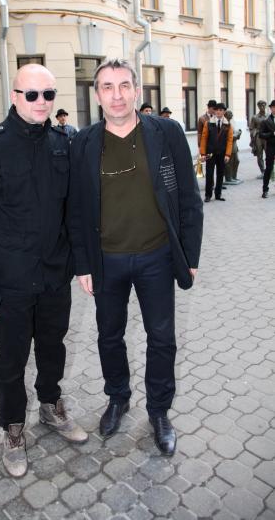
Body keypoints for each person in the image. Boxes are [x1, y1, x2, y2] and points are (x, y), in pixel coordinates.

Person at [68, 58, 203, 456]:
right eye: (107, 87)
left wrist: (189, 254)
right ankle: (118, 397)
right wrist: (82, 264)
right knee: (109, 335)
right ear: (97, 95)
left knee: (162, 338)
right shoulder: (84, 143)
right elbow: (75, 209)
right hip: (106, 259)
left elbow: (189, 198)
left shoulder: (166, 133)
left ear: (137, 91)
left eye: (124, 86)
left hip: (157, 256)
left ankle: (159, 411)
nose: (117, 95)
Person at [0, 64, 87, 478]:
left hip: (54, 276)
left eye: (48, 94)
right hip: (10, 282)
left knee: (53, 347)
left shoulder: (63, 143)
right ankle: (13, 428)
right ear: (15, 96)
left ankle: (50, 406)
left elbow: (74, 212)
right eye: (32, 94)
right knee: (11, 360)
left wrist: (78, 265)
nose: (41, 102)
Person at [200, 102, 233, 202]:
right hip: (210, 153)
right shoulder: (208, 123)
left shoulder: (228, 125)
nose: (218, 112)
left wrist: (227, 154)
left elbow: (230, 140)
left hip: (222, 154)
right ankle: (208, 195)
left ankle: (218, 194)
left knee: (220, 174)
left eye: (221, 110)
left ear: (224, 112)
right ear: (214, 111)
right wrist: (203, 153)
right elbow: (204, 139)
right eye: (217, 110)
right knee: (209, 174)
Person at [259, 99, 275, 198]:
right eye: (273, 107)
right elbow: (261, 134)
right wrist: (271, 134)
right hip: (271, 147)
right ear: (271, 108)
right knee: (269, 168)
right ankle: (265, 190)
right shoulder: (266, 121)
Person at [249, 100, 267, 177]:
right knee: (259, 155)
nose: (262, 107)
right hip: (258, 137)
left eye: (263, 105)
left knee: (269, 154)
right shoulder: (255, 117)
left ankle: (269, 170)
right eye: (260, 106)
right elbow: (251, 128)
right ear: (258, 107)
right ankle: (263, 171)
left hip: (267, 137)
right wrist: (254, 133)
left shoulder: (269, 116)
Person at [224, 110, 242, 185]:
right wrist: (237, 135)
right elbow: (228, 137)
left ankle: (234, 176)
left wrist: (238, 133)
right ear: (226, 115)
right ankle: (228, 178)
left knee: (236, 161)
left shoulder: (230, 123)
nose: (232, 114)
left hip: (234, 147)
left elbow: (232, 134)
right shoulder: (224, 124)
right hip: (229, 148)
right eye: (230, 113)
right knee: (229, 163)